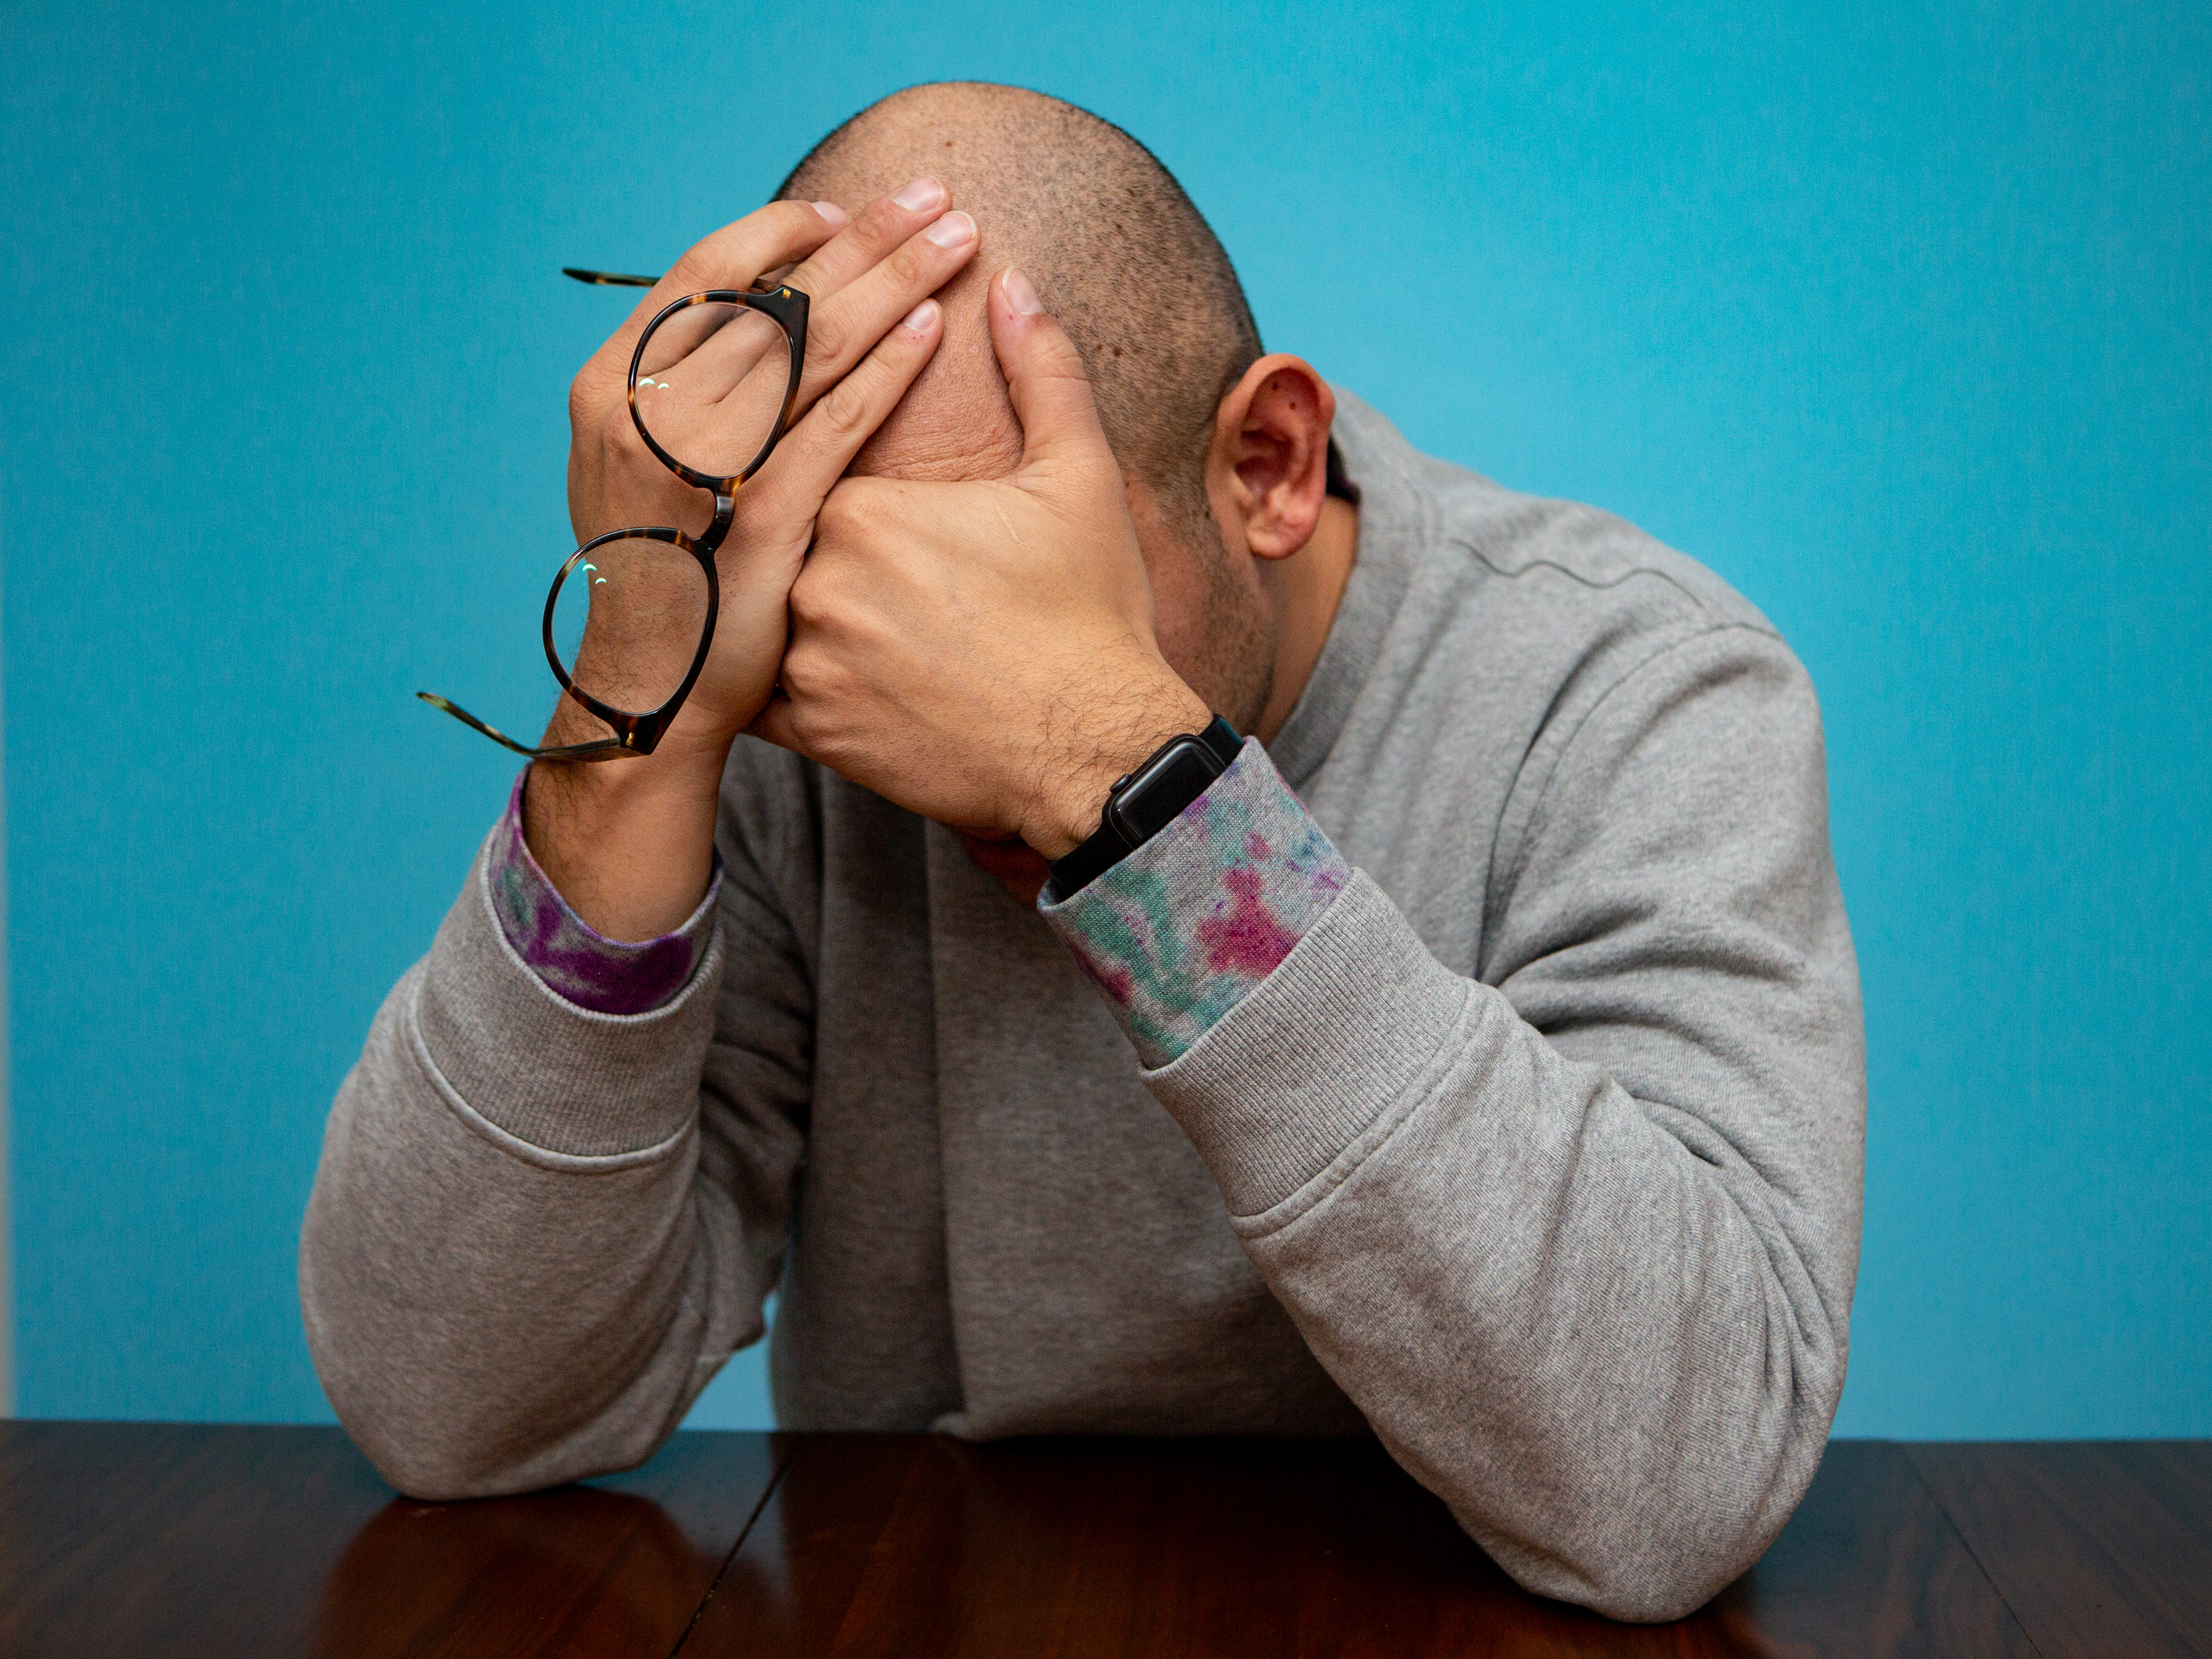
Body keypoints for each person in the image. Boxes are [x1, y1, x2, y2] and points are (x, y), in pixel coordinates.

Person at [300, 82, 1865, 1623]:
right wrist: (636, 690)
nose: (916, 692)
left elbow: (1684, 1474)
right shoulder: (784, 682)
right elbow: (459, 1413)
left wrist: (1125, 782)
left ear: (1269, 464)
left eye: (1004, 584)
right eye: (855, 602)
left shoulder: (1637, 689)